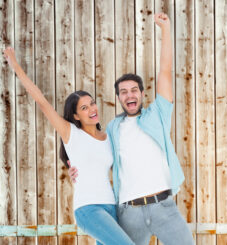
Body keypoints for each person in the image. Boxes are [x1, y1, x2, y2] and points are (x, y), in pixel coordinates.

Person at [70, 13, 194, 245]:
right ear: (118, 98)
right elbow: (94, 154)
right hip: (129, 212)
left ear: (142, 94)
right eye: (124, 92)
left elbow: (165, 71)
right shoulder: (112, 128)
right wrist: (75, 171)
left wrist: (166, 30)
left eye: (134, 90)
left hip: (163, 207)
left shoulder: (157, 114)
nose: (130, 94)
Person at [3, 47, 134, 245]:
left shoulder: (108, 136)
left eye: (92, 103)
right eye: (84, 107)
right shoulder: (71, 133)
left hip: (111, 207)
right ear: (75, 116)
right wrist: (15, 65)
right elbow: (41, 101)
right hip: (88, 209)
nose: (91, 109)